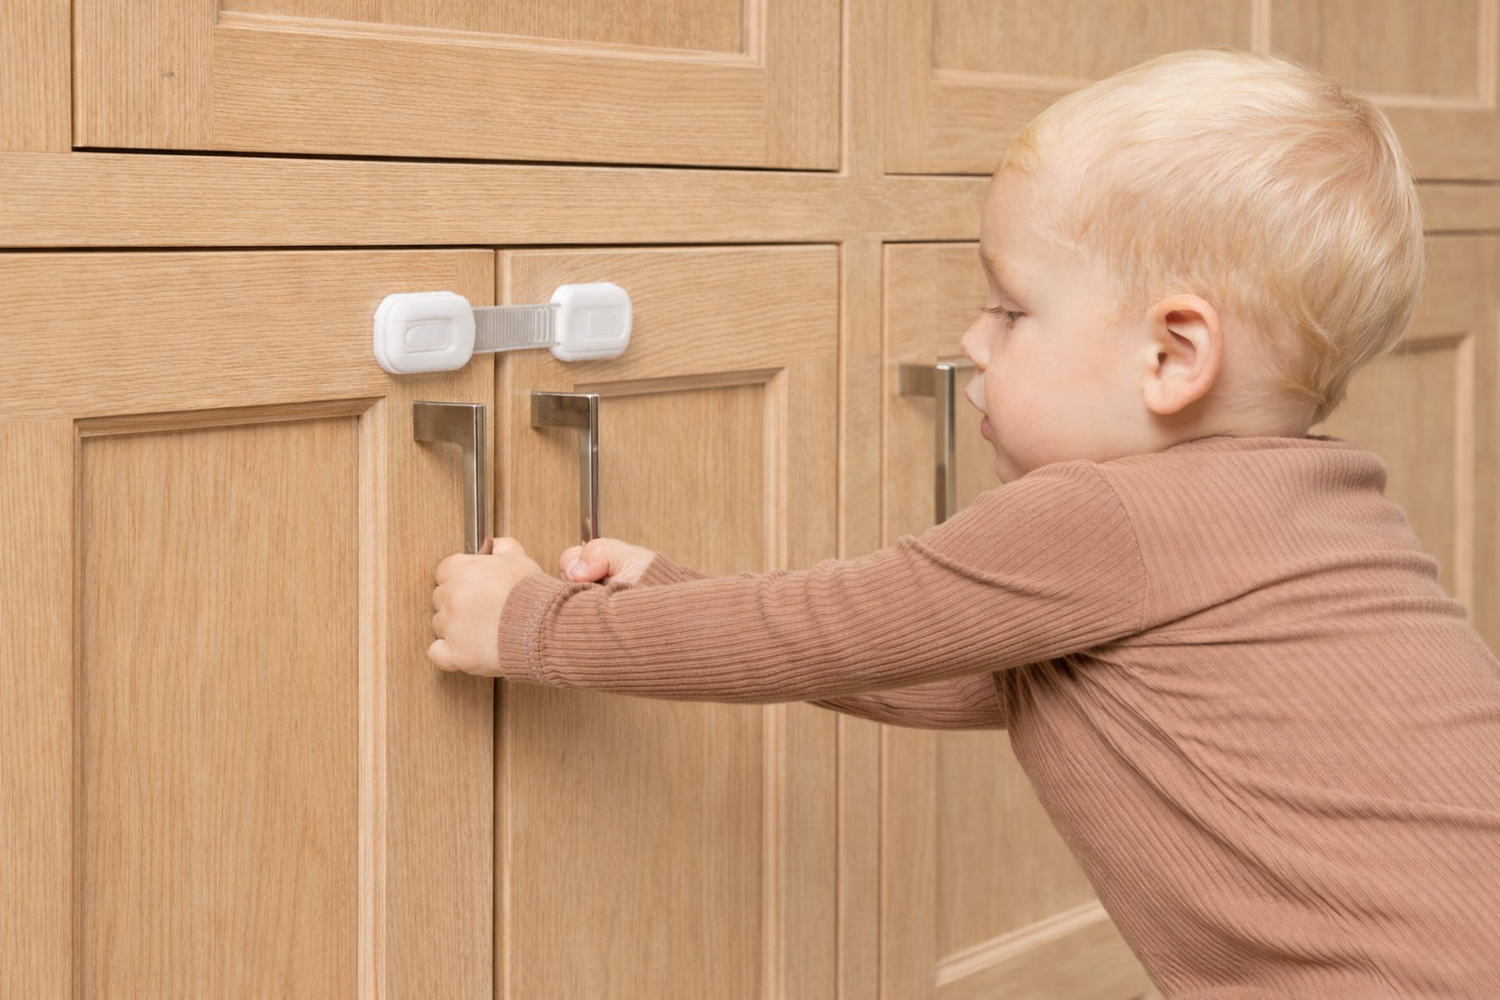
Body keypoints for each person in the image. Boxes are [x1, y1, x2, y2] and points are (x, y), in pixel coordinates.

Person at [428, 48, 1500, 998]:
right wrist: (666, 589)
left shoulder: (1104, 512)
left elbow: (819, 628)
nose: (972, 341)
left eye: (1011, 307)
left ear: (1174, 355)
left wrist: (532, 626)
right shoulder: (1324, 507)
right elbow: (958, 662)